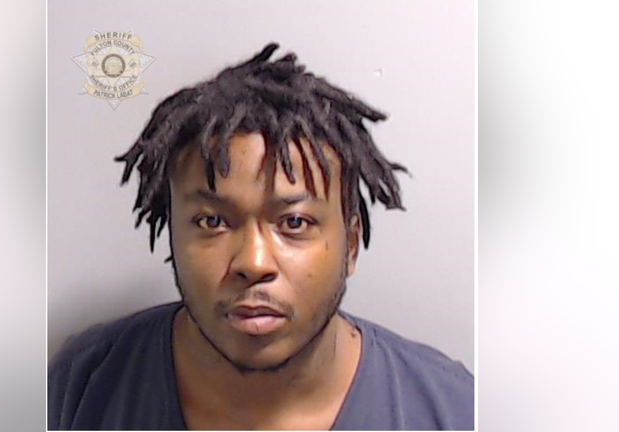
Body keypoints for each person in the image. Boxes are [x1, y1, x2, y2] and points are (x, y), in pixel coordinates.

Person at [48, 43, 474, 430]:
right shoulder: (80, 386)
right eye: (212, 222)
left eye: (294, 223)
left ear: (351, 244)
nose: (253, 263)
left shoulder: (455, 410)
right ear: (172, 236)